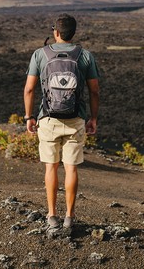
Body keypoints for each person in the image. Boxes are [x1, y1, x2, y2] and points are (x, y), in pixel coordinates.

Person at [23, 13, 100, 229]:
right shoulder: (85, 56)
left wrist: (29, 116)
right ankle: (69, 217)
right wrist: (93, 118)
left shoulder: (40, 54)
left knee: (51, 167)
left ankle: (51, 216)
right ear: (73, 33)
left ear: (55, 33)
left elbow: (29, 88)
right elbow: (95, 91)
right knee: (71, 168)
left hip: (48, 119)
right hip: (76, 119)